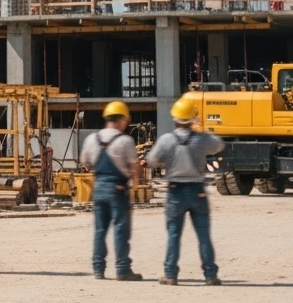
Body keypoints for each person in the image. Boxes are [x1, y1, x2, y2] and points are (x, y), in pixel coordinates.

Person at [145, 96, 224, 285]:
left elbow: (151, 160)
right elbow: (219, 144)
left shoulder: (166, 140)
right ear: (193, 118)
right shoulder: (202, 139)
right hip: (198, 190)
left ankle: (170, 275)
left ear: (174, 119)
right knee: (203, 234)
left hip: (175, 191)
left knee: (174, 235)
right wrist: (200, 131)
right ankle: (210, 275)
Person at [80, 102, 142, 281]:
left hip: (99, 187)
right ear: (123, 120)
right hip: (118, 189)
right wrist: (135, 182)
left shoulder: (92, 139)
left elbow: (85, 161)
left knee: (100, 230)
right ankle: (122, 269)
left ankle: (98, 269)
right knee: (121, 230)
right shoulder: (125, 140)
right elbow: (133, 166)